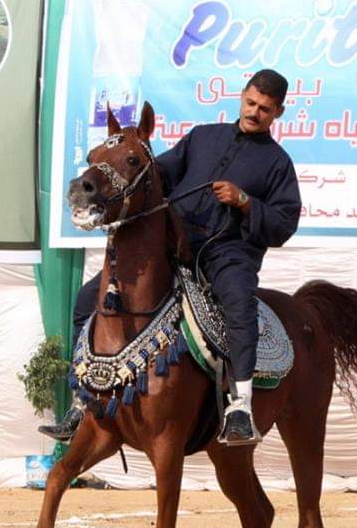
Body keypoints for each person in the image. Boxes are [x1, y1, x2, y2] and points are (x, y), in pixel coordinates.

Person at [40, 68, 302, 446]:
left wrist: (244, 201)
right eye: (250, 102)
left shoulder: (278, 163)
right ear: (242, 96)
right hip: (173, 243)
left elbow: (283, 224)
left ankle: (241, 407)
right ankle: (83, 400)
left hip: (228, 254)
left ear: (278, 112)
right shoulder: (203, 137)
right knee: (86, 300)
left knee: (239, 307)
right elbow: (158, 174)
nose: (254, 112)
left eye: (264, 108)